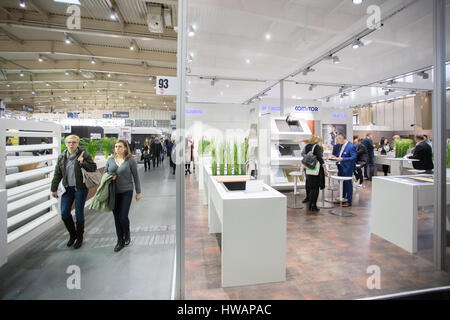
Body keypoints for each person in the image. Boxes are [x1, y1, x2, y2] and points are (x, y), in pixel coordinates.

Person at [51, 134, 97, 249]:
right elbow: (58, 173)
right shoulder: (62, 157)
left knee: (79, 212)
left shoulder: (83, 154)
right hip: (67, 189)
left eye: (74, 142)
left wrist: (82, 163)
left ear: (77, 143)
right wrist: (53, 188)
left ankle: (79, 237)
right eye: (69, 142)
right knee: (64, 213)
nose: (71, 144)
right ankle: (73, 235)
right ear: (65, 144)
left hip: (80, 188)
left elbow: (93, 167)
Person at [104, 140, 141, 252]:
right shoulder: (110, 160)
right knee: (116, 217)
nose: (117, 148)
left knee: (123, 216)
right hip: (113, 192)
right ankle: (120, 240)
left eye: (120, 146)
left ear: (125, 148)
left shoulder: (130, 161)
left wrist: (138, 192)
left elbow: (136, 176)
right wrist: (110, 176)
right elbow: (105, 174)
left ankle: (127, 233)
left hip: (127, 191)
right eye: (116, 147)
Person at [302, 135, 328, 212]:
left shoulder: (307, 146)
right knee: (315, 188)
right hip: (316, 169)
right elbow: (319, 158)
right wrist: (325, 168)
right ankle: (314, 206)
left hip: (309, 169)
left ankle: (310, 204)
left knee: (311, 187)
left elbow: (307, 156)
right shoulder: (318, 147)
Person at [333, 133, 357, 207]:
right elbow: (339, 155)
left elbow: (353, 157)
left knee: (348, 184)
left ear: (342, 138)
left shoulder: (351, 146)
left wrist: (343, 159)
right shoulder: (341, 146)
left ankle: (349, 201)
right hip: (340, 166)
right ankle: (342, 198)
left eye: (337, 140)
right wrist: (335, 157)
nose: (337, 141)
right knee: (341, 183)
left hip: (347, 168)